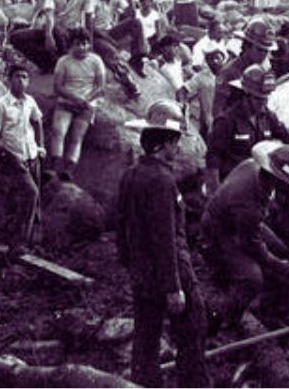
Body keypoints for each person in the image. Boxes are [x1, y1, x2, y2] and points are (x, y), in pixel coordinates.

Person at [118, 101, 211, 387]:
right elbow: (165, 238)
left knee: (146, 337)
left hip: (142, 272)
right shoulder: (161, 180)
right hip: (170, 270)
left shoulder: (131, 174)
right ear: (163, 144)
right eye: (175, 142)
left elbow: (121, 228)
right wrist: (174, 287)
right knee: (194, 328)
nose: (179, 148)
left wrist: (131, 265)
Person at [201, 140, 289, 328]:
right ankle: (223, 318)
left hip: (238, 222)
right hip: (220, 232)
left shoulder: (255, 167)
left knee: (282, 248)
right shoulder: (248, 204)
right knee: (253, 278)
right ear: (274, 177)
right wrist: (277, 264)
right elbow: (251, 244)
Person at [0, 64, 43, 254]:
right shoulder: (0, 105)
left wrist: (40, 146)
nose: (22, 81)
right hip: (12, 159)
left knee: (31, 198)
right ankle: (19, 242)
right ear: (9, 80)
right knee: (30, 193)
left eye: (25, 77)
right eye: (18, 76)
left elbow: (37, 121)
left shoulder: (30, 101)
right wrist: (11, 158)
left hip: (32, 156)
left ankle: (31, 239)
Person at [10, 0, 94, 73]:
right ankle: (47, 64)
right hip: (52, 30)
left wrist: (89, 44)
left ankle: (68, 67)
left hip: (73, 33)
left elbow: (89, 18)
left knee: (58, 30)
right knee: (16, 37)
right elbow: (49, 14)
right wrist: (48, 36)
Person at [50, 29, 106, 180]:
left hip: (86, 105)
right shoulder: (63, 61)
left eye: (86, 43)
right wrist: (75, 98)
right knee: (58, 131)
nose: (83, 47)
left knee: (76, 136)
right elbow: (58, 87)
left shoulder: (96, 60)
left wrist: (86, 100)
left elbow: (100, 87)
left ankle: (69, 169)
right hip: (66, 101)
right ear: (71, 45)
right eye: (79, 44)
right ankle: (54, 167)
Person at [90, 0, 148, 78]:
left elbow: (132, 14)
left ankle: (137, 58)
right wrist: (110, 40)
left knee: (136, 22)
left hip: (111, 31)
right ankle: (122, 76)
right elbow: (91, 26)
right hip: (97, 36)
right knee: (111, 51)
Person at [213, 17, 276, 116]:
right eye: (259, 49)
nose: (263, 55)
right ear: (247, 46)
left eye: (266, 51)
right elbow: (217, 109)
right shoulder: (229, 72)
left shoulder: (263, 71)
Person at [179, 49, 225, 141]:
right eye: (212, 59)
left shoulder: (226, 75)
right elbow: (183, 90)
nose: (216, 61)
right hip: (206, 117)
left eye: (218, 59)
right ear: (208, 61)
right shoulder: (201, 77)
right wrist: (183, 107)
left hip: (222, 117)